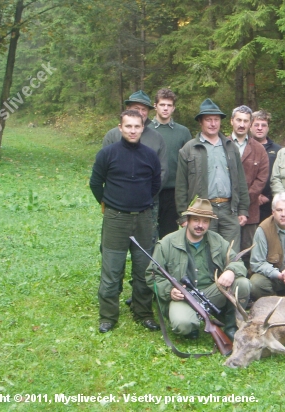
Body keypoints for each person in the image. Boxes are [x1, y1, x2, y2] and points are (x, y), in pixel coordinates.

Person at [90, 109, 162, 333]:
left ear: (143, 128)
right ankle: (108, 316)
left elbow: (155, 185)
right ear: (120, 128)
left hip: (143, 219)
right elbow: (95, 183)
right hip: (115, 219)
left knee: (143, 268)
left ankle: (143, 312)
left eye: (137, 126)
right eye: (128, 126)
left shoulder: (150, 155)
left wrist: (140, 203)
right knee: (112, 269)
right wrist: (110, 204)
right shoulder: (107, 154)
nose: (132, 130)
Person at [146, 199, 250, 341]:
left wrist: (231, 270)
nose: (200, 225)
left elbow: (237, 261)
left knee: (243, 283)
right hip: (183, 297)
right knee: (183, 324)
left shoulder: (217, 240)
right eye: (196, 220)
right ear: (187, 220)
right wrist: (169, 290)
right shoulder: (166, 243)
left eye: (205, 221)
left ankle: (232, 327)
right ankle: (192, 325)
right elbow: (151, 275)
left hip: (211, 293)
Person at [175, 98, 249, 251]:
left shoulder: (231, 147)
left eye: (216, 120)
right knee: (205, 253)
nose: (213, 123)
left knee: (230, 253)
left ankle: (230, 275)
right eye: (208, 120)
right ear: (200, 122)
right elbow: (181, 186)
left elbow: (240, 181)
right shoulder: (189, 149)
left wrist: (243, 209)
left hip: (229, 210)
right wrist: (183, 217)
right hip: (202, 212)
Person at [230, 105, 269, 271]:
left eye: (245, 121)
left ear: (250, 124)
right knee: (227, 250)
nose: (241, 124)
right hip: (225, 209)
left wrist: (243, 205)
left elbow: (261, 179)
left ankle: (248, 291)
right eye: (238, 120)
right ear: (232, 121)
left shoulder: (259, 149)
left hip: (251, 211)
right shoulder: (222, 145)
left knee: (249, 251)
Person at [150, 88, 192, 239]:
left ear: (173, 108)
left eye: (169, 105)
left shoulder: (183, 132)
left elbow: (190, 162)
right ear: (155, 106)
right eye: (162, 104)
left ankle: (167, 262)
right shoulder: (146, 130)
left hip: (174, 191)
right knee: (150, 233)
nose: (165, 108)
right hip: (151, 190)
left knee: (169, 234)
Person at [249, 109, 281, 223]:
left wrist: (268, 196)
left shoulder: (278, 151)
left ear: (268, 128)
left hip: (270, 203)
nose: (259, 128)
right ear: (250, 126)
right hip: (248, 202)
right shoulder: (244, 148)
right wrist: (253, 196)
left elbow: (280, 176)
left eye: (263, 125)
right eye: (256, 125)